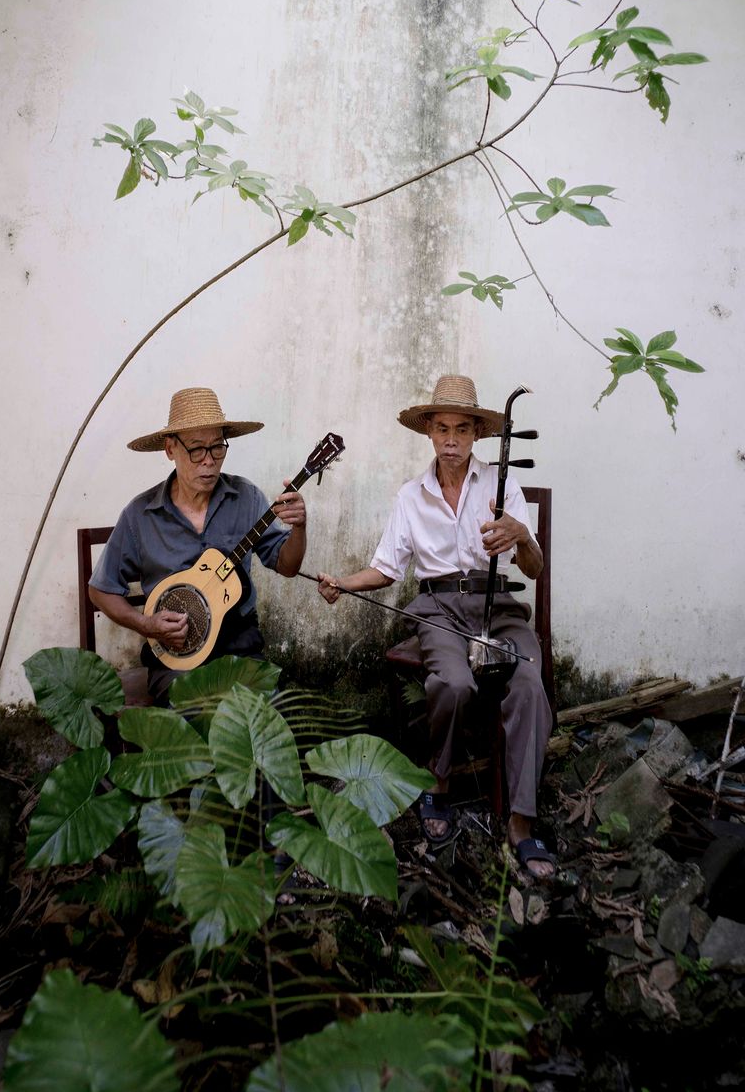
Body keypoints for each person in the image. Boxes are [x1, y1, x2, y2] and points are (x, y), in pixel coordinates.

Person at [317, 374, 555, 879]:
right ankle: (439, 782)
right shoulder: (411, 496)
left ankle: (521, 819)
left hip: (499, 607)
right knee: (451, 683)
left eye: (462, 429)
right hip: (440, 610)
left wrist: (520, 536)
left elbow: (533, 569)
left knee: (529, 681)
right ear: (429, 430)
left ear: (477, 435)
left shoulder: (502, 483)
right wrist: (342, 582)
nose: (452, 439)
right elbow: (386, 569)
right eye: (443, 428)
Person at [88, 386, 306, 702]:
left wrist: (299, 528)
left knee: (265, 718)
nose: (209, 461)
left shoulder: (246, 498)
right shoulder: (141, 515)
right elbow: (101, 589)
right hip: (176, 656)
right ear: (170, 449)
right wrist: (146, 624)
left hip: (240, 649)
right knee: (194, 716)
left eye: (217, 447)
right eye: (196, 449)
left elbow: (288, 567)